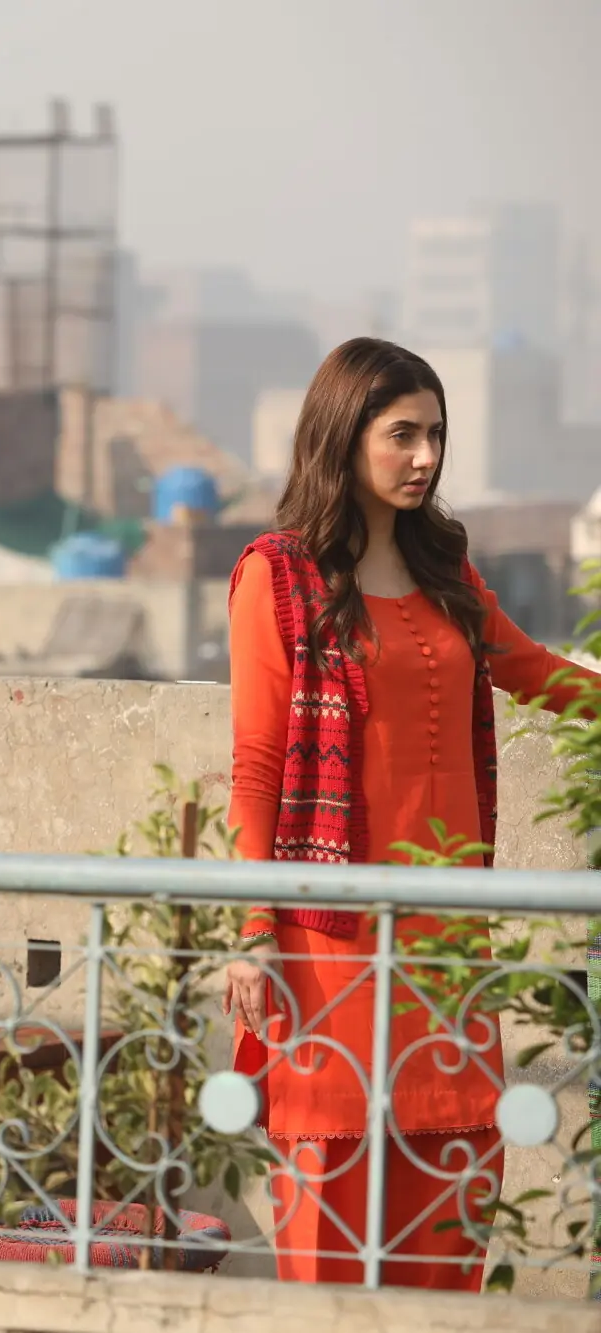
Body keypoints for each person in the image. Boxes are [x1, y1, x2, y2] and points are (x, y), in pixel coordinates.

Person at [221, 337, 599, 1289]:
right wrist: (253, 927)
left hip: (447, 939)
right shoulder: (279, 575)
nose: (425, 456)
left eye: (436, 433)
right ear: (343, 435)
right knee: (329, 1214)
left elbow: (530, 669)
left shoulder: (445, 569)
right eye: (402, 434)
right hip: (329, 943)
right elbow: (257, 763)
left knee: (453, 1197)